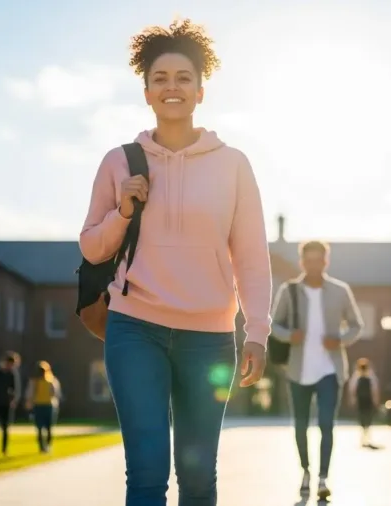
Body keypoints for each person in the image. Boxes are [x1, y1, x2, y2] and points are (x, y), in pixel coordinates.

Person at [78, 18, 271, 506]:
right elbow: (92, 248)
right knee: (145, 473)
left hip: (208, 338)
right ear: (146, 92)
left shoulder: (234, 165)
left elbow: (251, 256)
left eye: (183, 78)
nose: (172, 88)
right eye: (160, 78)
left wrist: (257, 333)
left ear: (201, 91)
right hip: (134, 327)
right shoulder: (119, 161)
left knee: (199, 477)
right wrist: (123, 210)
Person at [270, 240, 364, 501]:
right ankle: (305, 472)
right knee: (300, 425)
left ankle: (323, 478)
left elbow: (357, 325)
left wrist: (340, 339)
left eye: (318, 260)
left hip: (330, 370)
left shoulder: (340, 290)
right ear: (302, 262)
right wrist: (290, 336)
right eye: (308, 260)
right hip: (297, 370)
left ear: (326, 261)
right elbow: (274, 325)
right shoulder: (289, 291)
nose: (313, 265)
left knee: (326, 424)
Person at [25, 361, 62, 453]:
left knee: (49, 427)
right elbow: (30, 393)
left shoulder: (51, 381)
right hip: (38, 405)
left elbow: (56, 394)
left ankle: (48, 445)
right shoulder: (34, 381)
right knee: (39, 428)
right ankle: (42, 447)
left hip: (49, 405)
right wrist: (29, 403)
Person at [347, 357, 381, 449]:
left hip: (362, 400)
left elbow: (352, 389)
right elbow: (374, 389)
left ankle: (364, 435)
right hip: (367, 400)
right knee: (367, 417)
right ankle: (365, 435)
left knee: (363, 417)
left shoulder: (357, 377)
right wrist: (376, 400)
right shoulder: (370, 376)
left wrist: (353, 399)